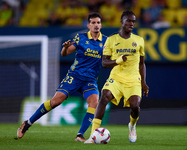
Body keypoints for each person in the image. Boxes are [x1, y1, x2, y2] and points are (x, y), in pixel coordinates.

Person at [16, 12, 107, 142]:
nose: (96, 25)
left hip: (90, 79)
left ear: (101, 25)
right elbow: (65, 53)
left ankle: (80, 135)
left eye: (98, 22)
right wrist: (64, 48)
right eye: (93, 23)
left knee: (94, 102)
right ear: (88, 25)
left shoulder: (106, 41)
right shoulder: (80, 37)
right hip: (74, 76)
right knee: (55, 102)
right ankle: (28, 123)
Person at [84, 10, 149, 144]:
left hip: (133, 79)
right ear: (122, 21)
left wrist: (143, 82)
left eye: (133, 21)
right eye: (129, 21)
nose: (131, 24)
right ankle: (92, 135)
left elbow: (142, 64)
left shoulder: (139, 40)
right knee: (104, 97)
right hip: (116, 78)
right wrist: (117, 61)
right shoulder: (111, 40)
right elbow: (104, 63)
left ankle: (132, 126)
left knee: (135, 106)